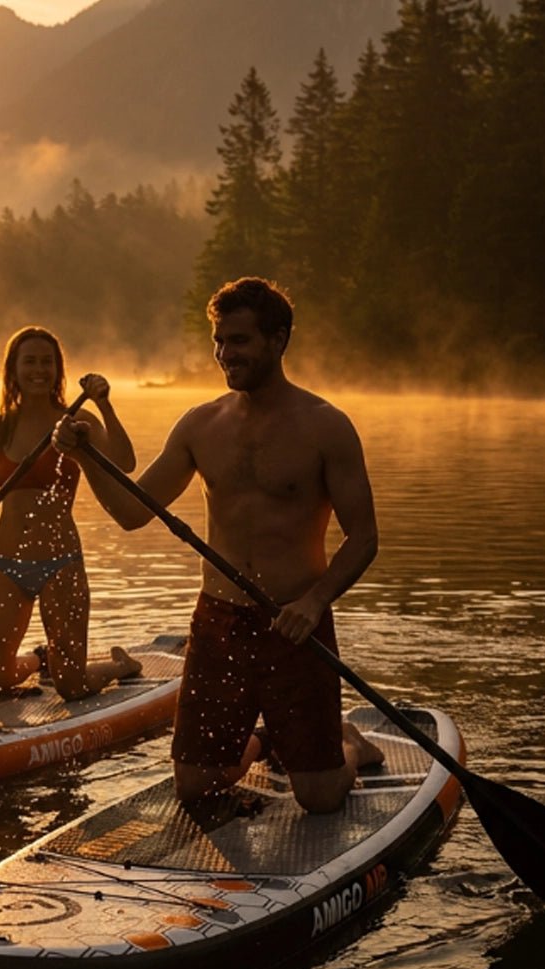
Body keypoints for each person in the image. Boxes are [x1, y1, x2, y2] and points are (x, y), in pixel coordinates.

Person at [53, 276, 383, 814]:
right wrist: (86, 454)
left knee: (320, 797)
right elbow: (134, 512)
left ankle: (347, 744)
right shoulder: (200, 424)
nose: (225, 354)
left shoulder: (326, 427)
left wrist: (315, 601)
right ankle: (268, 741)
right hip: (219, 622)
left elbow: (364, 537)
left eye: (239, 341)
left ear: (278, 340)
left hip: (294, 625)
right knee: (196, 786)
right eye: (219, 342)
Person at [0, 326, 142, 700]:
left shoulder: (76, 424)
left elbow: (126, 463)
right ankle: (39, 660)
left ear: (58, 370)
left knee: (73, 687)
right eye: (29, 361)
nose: (39, 370)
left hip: (61, 564)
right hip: (6, 565)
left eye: (47, 362)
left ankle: (121, 666)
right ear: (13, 370)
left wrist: (104, 403)